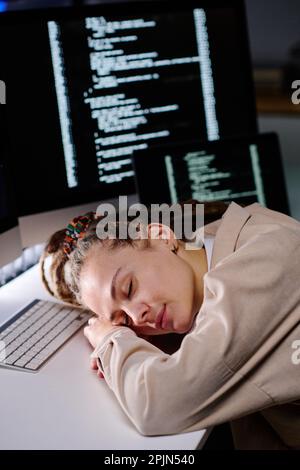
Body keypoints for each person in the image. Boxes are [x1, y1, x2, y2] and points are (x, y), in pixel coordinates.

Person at [40, 200, 300, 449]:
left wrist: (112, 338)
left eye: (129, 288)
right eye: (125, 319)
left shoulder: (262, 260)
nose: (138, 316)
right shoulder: (212, 249)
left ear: (162, 236)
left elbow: (157, 405)